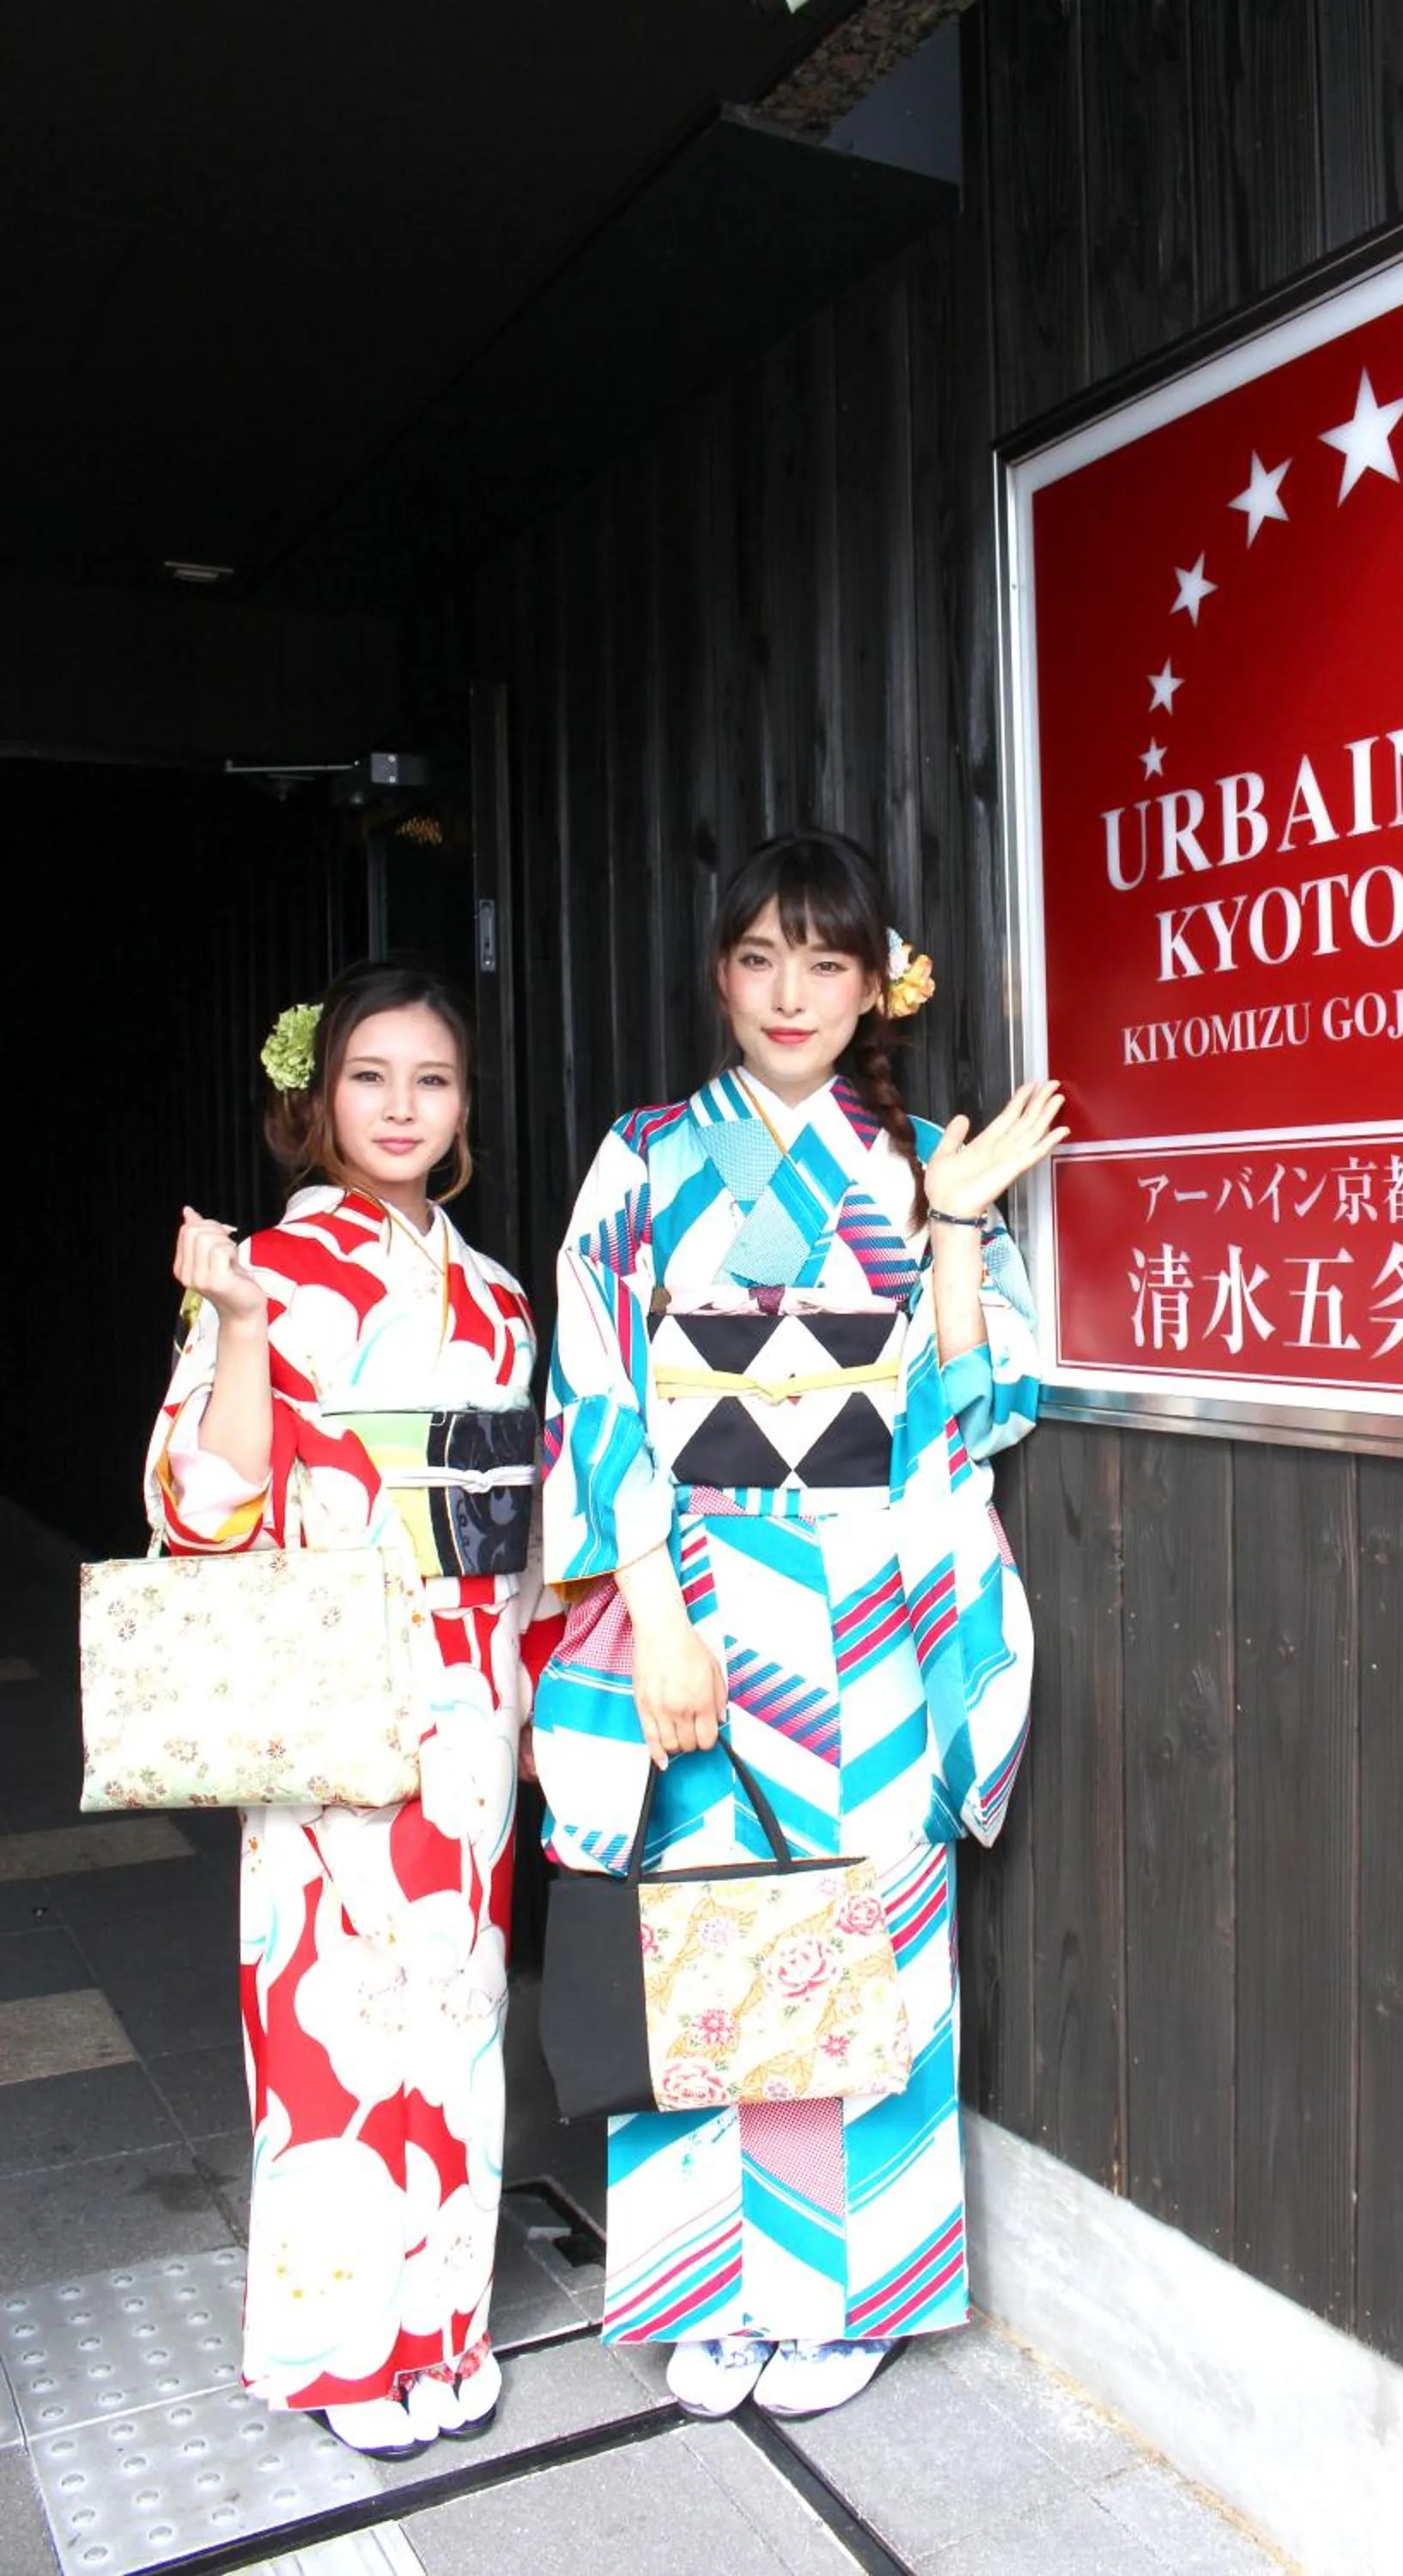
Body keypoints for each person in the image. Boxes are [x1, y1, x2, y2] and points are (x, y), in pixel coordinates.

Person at [532, 829, 1062, 2421]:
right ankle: (709, 2286)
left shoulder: (907, 1167)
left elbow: (969, 1417)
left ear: (870, 989)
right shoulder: (640, 1158)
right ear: (721, 973)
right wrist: (658, 1614)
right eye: (759, 957)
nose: (789, 993)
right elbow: (600, 1392)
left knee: (874, 1933)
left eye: (825, 962)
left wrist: (958, 1224)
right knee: (709, 1938)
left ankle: (851, 2292)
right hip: (698, 1597)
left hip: (875, 1603)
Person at [145, 962, 555, 2459]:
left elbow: (532, 1521)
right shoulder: (275, 1265)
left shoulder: (499, 1295)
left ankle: (441, 2325)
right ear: (318, 1097)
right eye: (371, 1077)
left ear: (462, 1110)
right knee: (328, 2020)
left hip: (470, 1688)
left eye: (431, 1081)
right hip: (334, 1677)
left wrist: (537, 1686)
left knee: (455, 2012)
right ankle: (337, 2346)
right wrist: (241, 1321)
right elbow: (209, 1506)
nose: (400, 1107)